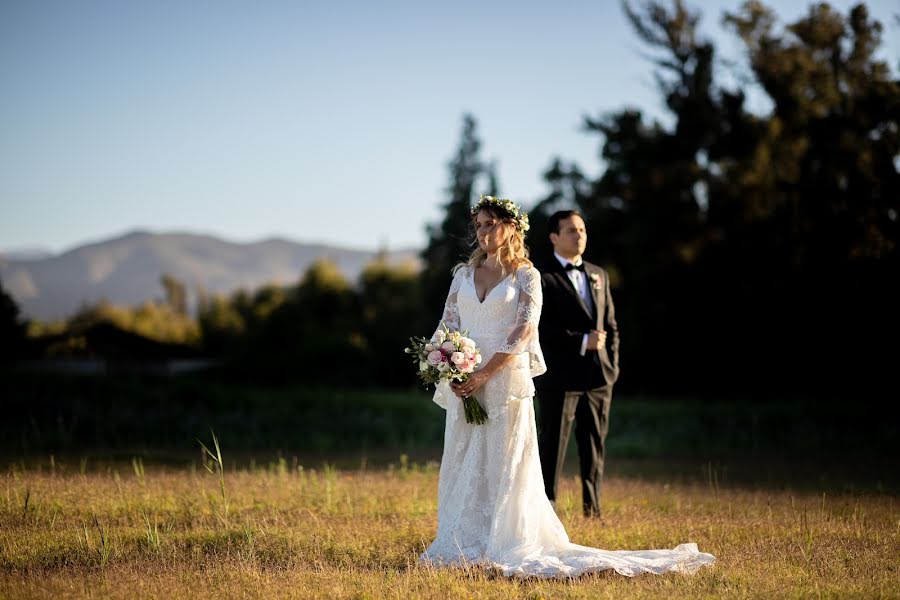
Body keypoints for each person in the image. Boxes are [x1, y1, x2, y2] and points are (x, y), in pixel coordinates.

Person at [419, 195, 714, 577]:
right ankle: (461, 538)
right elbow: (448, 323)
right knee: (464, 458)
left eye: (490, 223)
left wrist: (485, 373)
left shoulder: (526, 275)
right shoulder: (462, 275)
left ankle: (503, 539)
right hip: (467, 382)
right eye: (478, 225)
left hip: (505, 382)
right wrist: (446, 361)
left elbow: (524, 330)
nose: (483, 231)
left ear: (512, 228)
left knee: (504, 463)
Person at [535, 210, 618, 517]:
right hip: (559, 378)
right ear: (554, 237)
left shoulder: (599, 274)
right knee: (552, 448)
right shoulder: (541, 276)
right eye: (571, 230)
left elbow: (611, 325)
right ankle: (547, 511)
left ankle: (592, 510)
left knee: (594, 446)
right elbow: (541, 329)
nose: (579, 235)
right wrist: (583, 341)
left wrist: (612, 367)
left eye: (582, 229)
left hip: (598, 378)